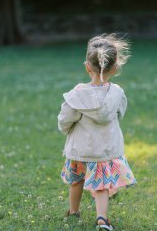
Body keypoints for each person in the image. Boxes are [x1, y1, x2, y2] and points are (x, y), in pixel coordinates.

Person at [57, 33, 136, 230]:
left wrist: (66, 129)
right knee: (102, 186)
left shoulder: (77, 95)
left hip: (81, 149)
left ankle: (74, 211)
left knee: (77, 181)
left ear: (87, 66)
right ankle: (102, 219)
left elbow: (65, 119)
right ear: (115, 68)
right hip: (105, 149)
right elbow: (120, 112)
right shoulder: (117, 93)